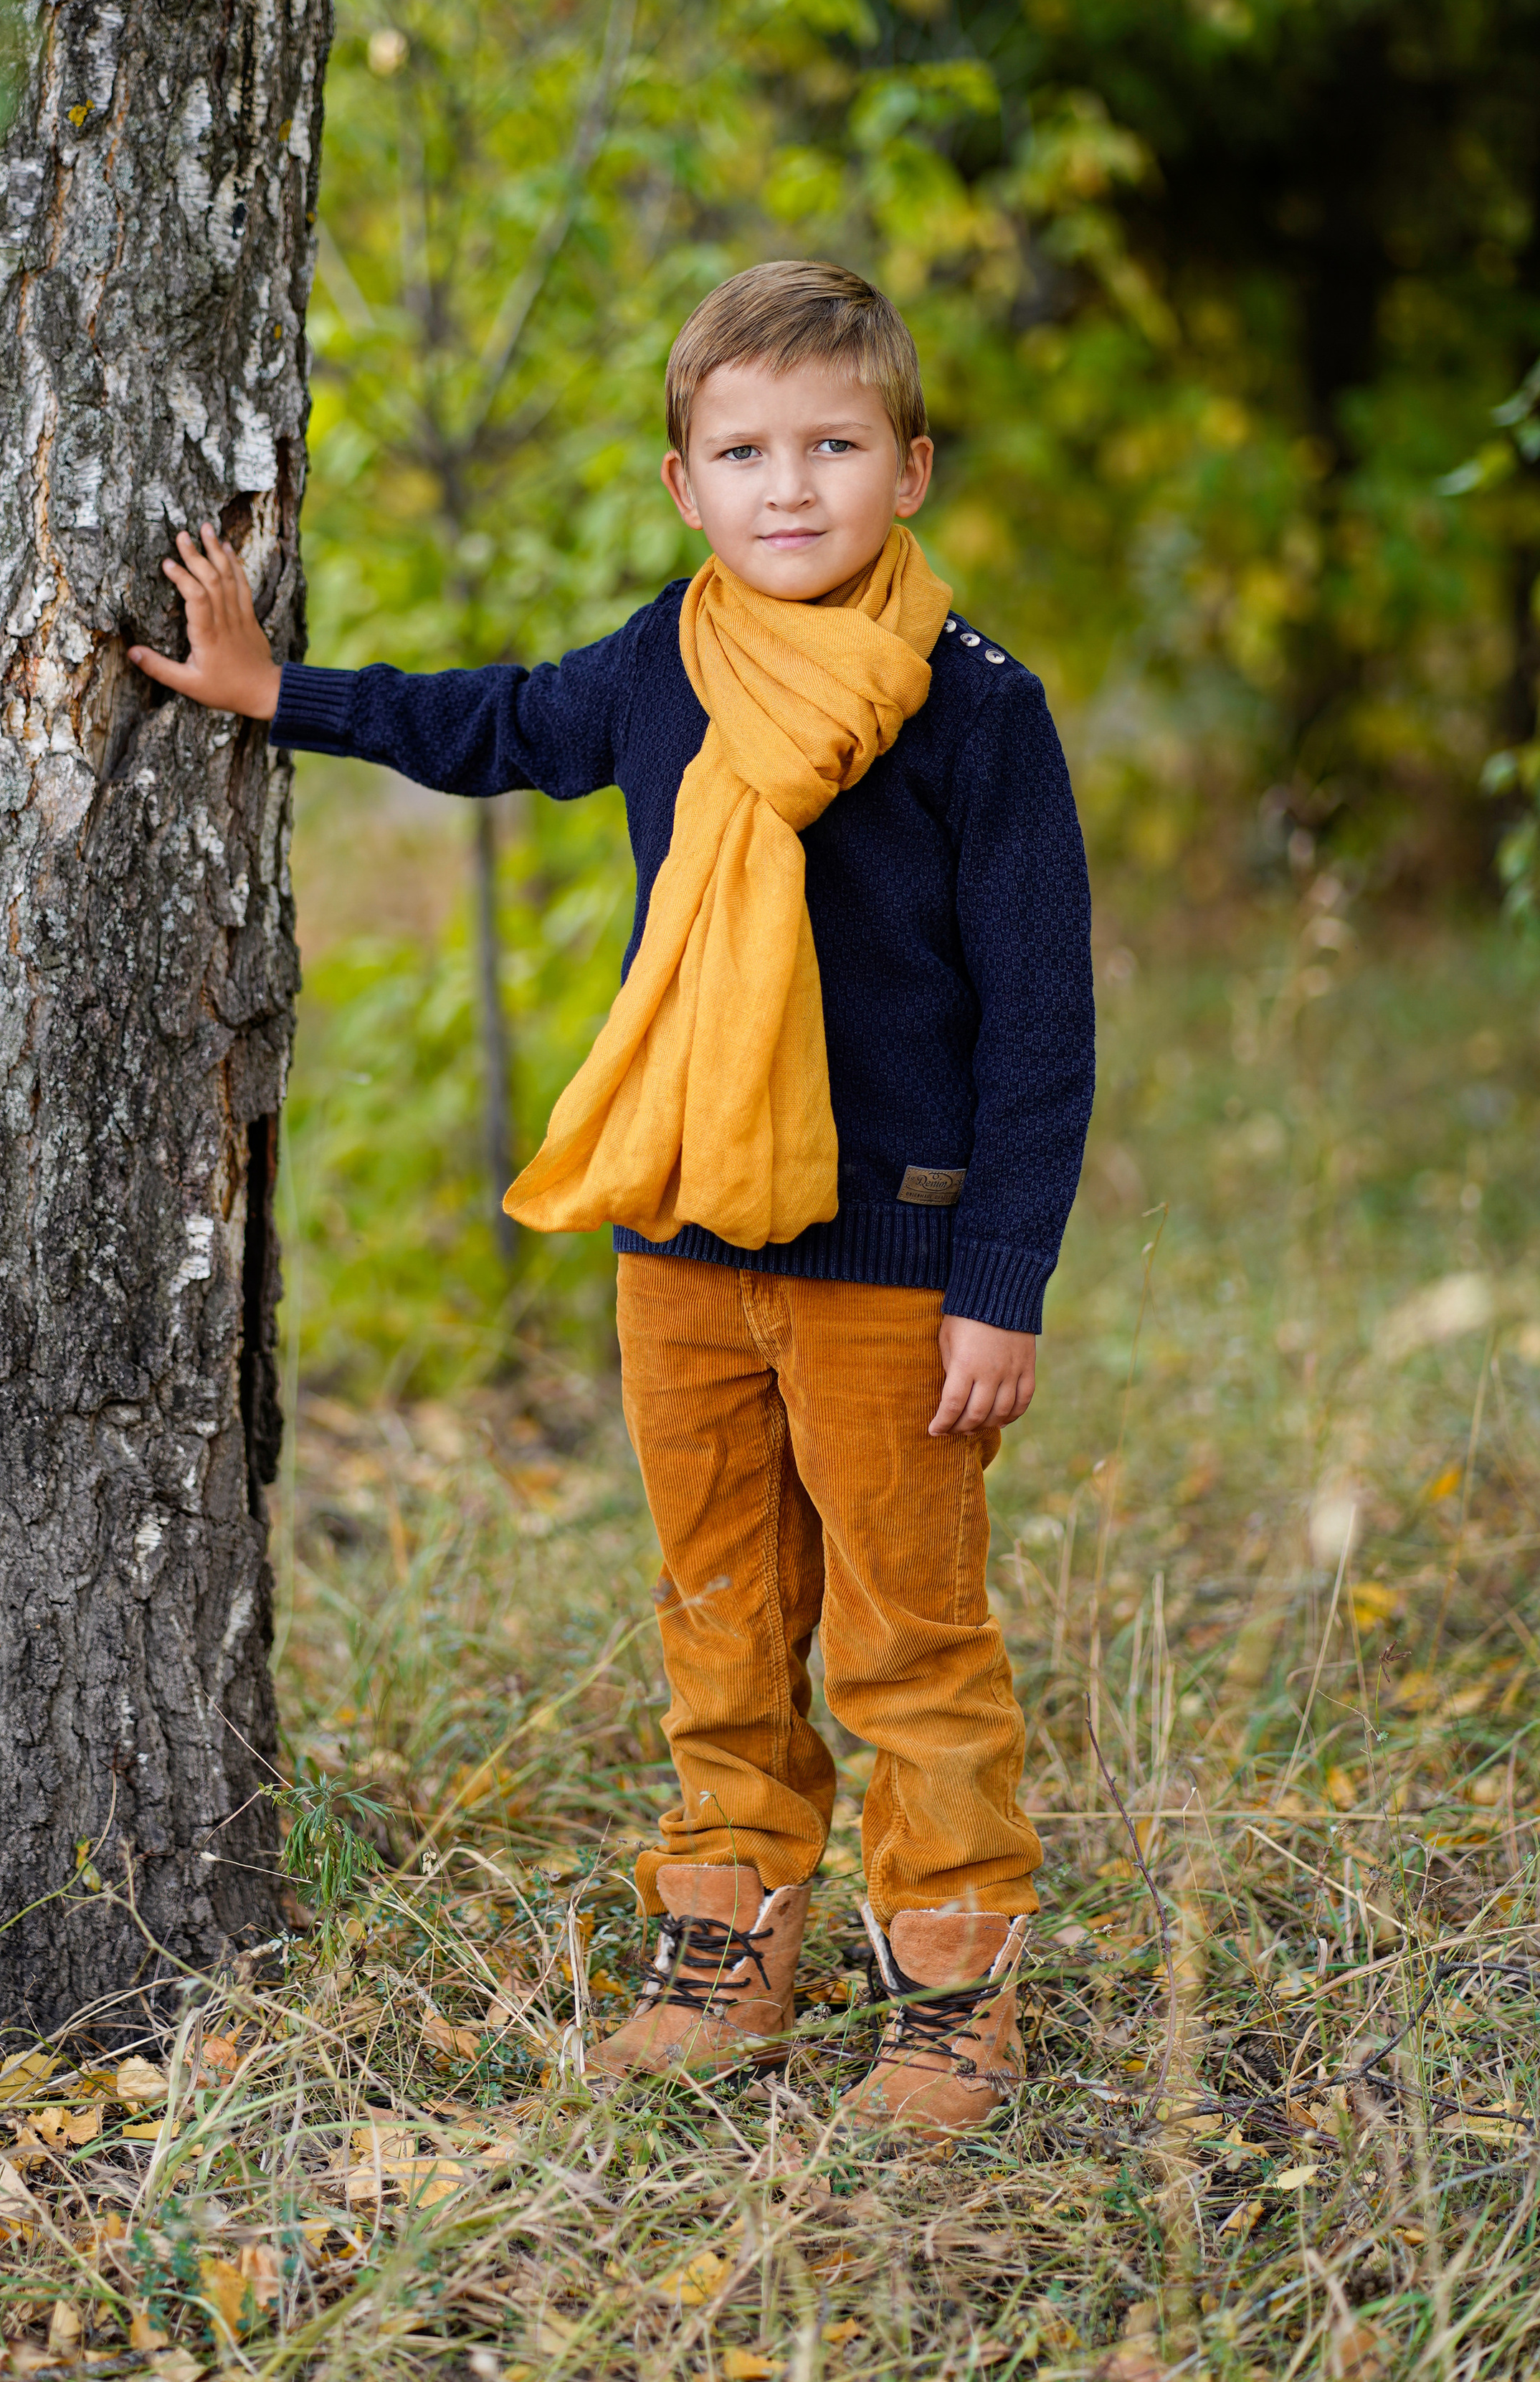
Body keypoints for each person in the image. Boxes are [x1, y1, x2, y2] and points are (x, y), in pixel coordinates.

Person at [130, 260, 1094, 2141]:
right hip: (687, 1246)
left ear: (913, 472)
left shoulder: (978, 712)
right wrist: (276, 693)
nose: (789, 486)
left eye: (833, 447)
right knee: (722, 1608)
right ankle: (731, 1947)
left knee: (911, 1632)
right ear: (683, 487)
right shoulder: (671, 661)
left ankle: (954, 1992)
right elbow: (492, 725)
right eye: (744, 451)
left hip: (894, 1256)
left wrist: (1003, 1279)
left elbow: (1040, 1027)